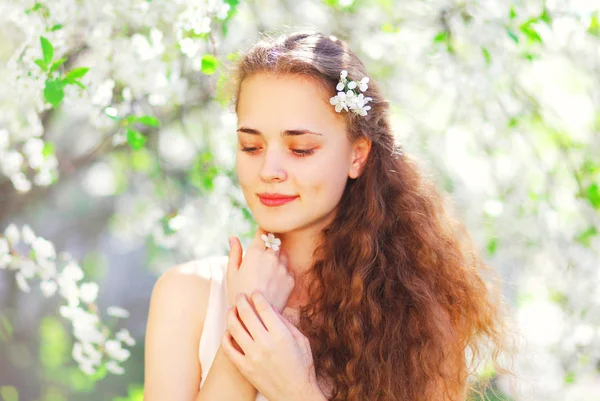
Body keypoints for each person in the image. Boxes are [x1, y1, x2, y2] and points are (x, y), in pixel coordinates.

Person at [143, 30, 507, 401]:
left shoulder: (415, 319)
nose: (269, 169)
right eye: (251, 146)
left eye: (300, 149)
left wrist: (295, 388)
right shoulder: (186, 294)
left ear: (357, 155)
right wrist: (249, 316)